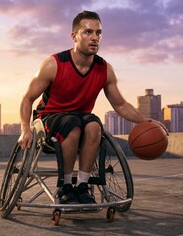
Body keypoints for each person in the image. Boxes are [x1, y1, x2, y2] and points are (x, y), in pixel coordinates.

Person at [18, 11, 157, 204]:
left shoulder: (105, 69)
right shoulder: (54, 64)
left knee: (94, 125)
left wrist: (145, 121)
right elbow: (27, 99)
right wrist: (25, 129)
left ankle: (82, 187)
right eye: (88, 32)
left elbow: (121, 104)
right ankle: (66, 187)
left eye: (98, 33)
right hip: (50, 116)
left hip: (81, 117)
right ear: (74, 36)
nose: (94, 38)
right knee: (73, 125)